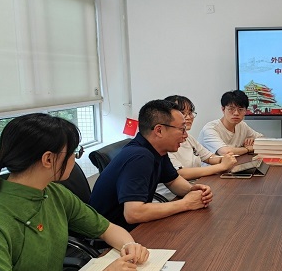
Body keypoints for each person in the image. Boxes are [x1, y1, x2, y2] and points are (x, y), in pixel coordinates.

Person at [0, 113, 149, 271]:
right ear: (48, 159)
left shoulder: (52, 193)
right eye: (74, 152)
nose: (75, 158)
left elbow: (106, 228)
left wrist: (128, 245)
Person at [89, 99, 213, 231]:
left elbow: (173, 181)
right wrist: (186, 203)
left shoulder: (157, 149)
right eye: (182, 129)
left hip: (133, 227)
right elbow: (133, 214)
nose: (185, 135)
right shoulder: (140, 157)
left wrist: (194, 191)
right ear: (159, 130)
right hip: (111, 235)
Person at [164, 95, 237, 179]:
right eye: (182, 113)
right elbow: (180, 173)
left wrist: (224, 159)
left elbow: (208, 157)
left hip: (196, 183)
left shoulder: (189, 138)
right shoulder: (165, 142)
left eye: (190, 113)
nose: (188, 117)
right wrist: (222, 166)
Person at [198, 89, 263, 156]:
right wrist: (248, 149)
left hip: (237, 162)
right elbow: (225, 152)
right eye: (231, 109)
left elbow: (263, 140)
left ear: (245, 111)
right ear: (223, 109)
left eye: (240, 109)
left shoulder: (241, 125)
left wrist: (253, 140)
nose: (236, 113)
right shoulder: (211, 129)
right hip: (212, 163)